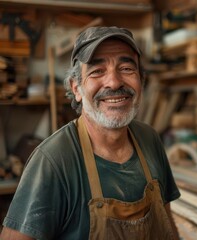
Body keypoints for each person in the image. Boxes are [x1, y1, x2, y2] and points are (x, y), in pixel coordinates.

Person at [0, 26, 181, 240]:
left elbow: (166, 223)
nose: (114, 82)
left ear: (141, 80)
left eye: (126, 69)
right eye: (97, 71)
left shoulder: (149, 139)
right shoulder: (54, 161)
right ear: (76, 88)